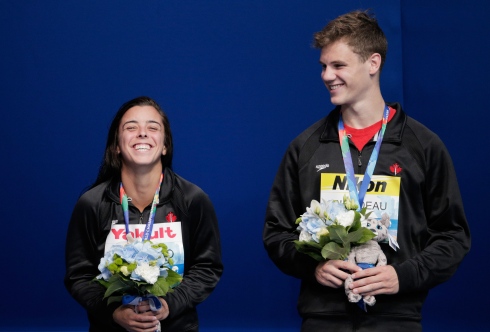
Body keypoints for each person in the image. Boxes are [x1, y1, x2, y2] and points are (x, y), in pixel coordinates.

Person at [263, 10, 470, 331]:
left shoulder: (423, 145)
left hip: (396, 318)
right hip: (323, 318)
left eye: (338, 65)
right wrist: (313, 266)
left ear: (373, 63)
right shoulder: (305, 147)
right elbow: (276, 233)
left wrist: (402, 276)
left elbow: (453, 237)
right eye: (323, 66)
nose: (326, 76)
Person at [65, 96, 223, 332]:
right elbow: (79, 275)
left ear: (165, 144)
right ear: (117, 145)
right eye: (131, 127)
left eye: (152, 127)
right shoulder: (91, 204)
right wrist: (113, 313)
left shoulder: (193, 200)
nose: (142, 133)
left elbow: (207, 267)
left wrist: (169, 304)